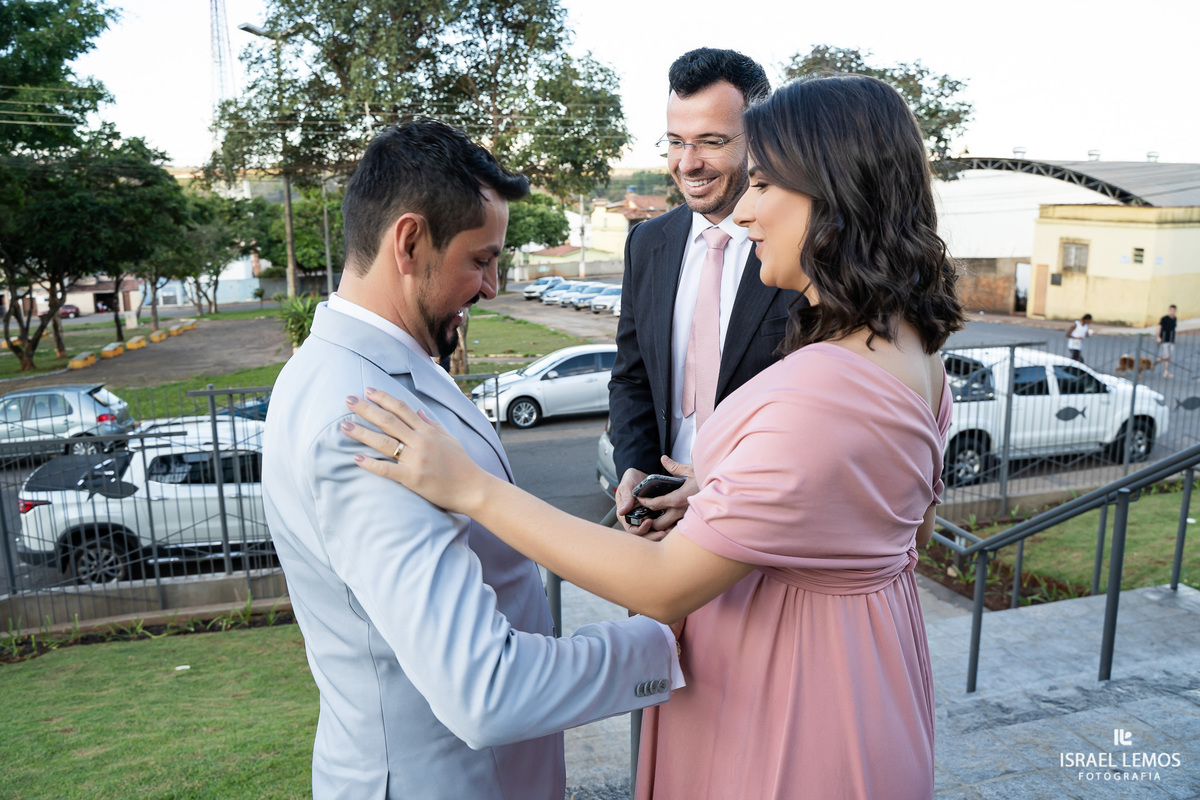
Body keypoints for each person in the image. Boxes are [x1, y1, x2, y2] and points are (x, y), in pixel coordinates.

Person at [344, 75, 964, 799]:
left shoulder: (821, 389)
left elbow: (664, 585)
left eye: (765, 184)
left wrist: (472, 489)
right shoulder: (918, 353)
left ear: (833, 194)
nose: (746, 209)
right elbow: (903, 529)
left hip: (788, 709)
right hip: (871, 678)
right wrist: (740, 495)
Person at [262, 119, 678, 800]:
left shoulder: (372, 367)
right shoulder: (362, 418)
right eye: (481, 260)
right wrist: (661, 644)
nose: (491, 286)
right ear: (409, 242)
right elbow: (486, 691)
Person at [609, 48, 800, 536]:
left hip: (761, 525)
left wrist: (720, 482)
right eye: (675, 142)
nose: (688, 163)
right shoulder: (646, 242)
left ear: (760, 138)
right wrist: (634, 471)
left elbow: (810, 411)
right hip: (662, 524)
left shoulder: (801, 246)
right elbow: (631, 378)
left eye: (711, 141)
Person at [1155, 304, 1177, 377]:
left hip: (1171, 340)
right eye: (1171, 310)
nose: (1172, 312)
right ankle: (1155, 363)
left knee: (1169, 357)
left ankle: (1166, 372)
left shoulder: (1175, 319)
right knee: (1167, 356)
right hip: (1164, 339)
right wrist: (1158, 337)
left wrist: (1174, 339)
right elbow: (1159, 327)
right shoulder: (1164, 319)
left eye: (1173, 311)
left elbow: (1173, 329)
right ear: (1169, 310)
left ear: (1175, 311)